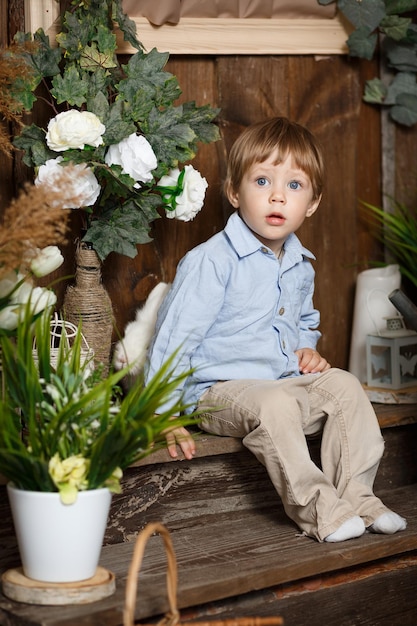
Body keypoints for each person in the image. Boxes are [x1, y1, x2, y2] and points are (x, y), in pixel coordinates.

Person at [146, 116, 406, 543]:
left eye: (295, 186)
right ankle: (321, 512)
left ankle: (358, 500)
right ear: (234, 192)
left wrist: (307, 348)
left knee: (344, 386)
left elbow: (304, 320)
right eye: (263, 181)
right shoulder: (213, 260)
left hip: (282, 383)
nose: (278, 196)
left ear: (313, 202)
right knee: (275, 405)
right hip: (219, 391)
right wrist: (160, 416)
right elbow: (175, 339)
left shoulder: (299, 263)